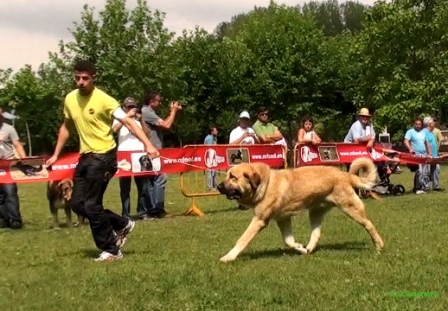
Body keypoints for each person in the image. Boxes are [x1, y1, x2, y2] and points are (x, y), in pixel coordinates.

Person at [45, 60, 160, 261]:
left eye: (85, 78)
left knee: (91, 205)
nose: (80, 82)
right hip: (85, 157)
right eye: (77, 78)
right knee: (78, 205)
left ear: (93, 78)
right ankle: (121, 223)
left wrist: (148, 145)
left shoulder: (105, 100)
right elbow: (66, 127)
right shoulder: (70, 99)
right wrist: (56, 154)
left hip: (104, 157)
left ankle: (112, 250)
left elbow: (128, 121)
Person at [141, 90, 182, 219]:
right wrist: (173, 110)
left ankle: (153, 209)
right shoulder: (146, 112)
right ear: (151, 101)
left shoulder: (149, 112)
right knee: (159, 178)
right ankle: (158, 209)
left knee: (152, 181)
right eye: (158, 100)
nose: (160, 103)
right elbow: (167, 124)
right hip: (152, 151)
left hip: (152, 150)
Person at [112, 97, 152, 220]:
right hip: (124, 156)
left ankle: (142, 212)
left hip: (139, 155)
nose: (131, 109)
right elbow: (114, 130)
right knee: (125, 188)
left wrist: (142, 121)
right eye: (129, 107)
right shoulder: (119, 118)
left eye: (133, 106)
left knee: (143, 187)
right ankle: (126, 214)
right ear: (124, 107)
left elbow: (147, 134)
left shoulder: (138, 120)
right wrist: (127, 117)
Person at [0, 107, 27, 229]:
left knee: (10, 192)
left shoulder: (9, 129)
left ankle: (15, 220)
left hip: (8, 165)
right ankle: (3, 220)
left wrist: (25, 160)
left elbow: (17, 145)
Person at [404, 117, 431, 194]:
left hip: (424, 155)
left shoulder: (423, 133)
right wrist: (410, 148)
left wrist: (429, 153)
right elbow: (406, 141)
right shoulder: (410, 132)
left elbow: (427, 143)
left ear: (421, 125)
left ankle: (422, 187)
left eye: (419, 124)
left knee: (425, 173)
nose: (418, 126)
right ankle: (417, 188)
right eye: (416, 124)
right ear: (414, 124)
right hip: (416, 155)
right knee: (419, 171)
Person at [422, 116, 443, 192]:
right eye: (433, 122)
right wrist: (428, 153)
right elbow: (424, 143)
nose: (434, 123)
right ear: (429, 124)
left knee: (436, 170)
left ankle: (436, 186)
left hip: (435, 155)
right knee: (426, 171)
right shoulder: (424, 132)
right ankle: (426, 186)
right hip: (428, 155)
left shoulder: (430, 132)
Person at [204, 126, 219, 191]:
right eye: (215, 131)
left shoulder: (214, 138)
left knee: (214, 172)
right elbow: (210, 150)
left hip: (213, 157)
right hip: (210, 158)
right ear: (212, 132)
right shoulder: (209, 139)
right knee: (210, 172)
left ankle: (214, 187)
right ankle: (210, 187)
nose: (217, 132)